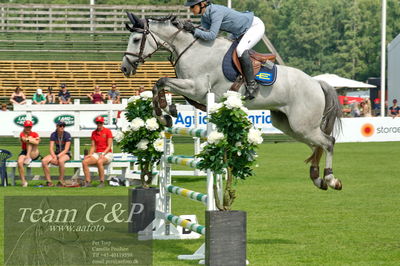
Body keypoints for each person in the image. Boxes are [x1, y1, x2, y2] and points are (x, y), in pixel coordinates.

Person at [183, 0, 265, 99]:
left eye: (192, 7)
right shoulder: (205, 16)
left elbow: (212, 36)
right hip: (239, 32)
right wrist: (189, 29)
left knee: (240, 50)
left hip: (254, 26)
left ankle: (252, 85)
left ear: (202, 4)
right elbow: (203, 33)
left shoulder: (215, 12)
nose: (191, 9)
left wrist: (193, 30)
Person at [82, 116, 113, 187]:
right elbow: (93, 146)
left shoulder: (108, 131)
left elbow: (109, 146)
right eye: (97, 122)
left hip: (107, 153)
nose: (99, 124)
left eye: (100, 122)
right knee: (84, 161)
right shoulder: (94, 133)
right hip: (97, 153)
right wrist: (90, 154)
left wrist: (103, 154)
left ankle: (102, 182)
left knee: (100, 161)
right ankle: (88, 182)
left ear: (102, 123)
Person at [41, 121, 72, 187]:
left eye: (63, 126)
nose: (62, 127)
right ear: (57, 126)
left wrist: (57, 157)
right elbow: (51, 148)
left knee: (61, 161)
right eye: (60, 126)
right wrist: (54, 156)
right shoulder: (53, 134)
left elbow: (66, 149)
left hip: (66, 154)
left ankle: (61, 181)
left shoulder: (67, 134)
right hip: (56, 153)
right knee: (44, 161)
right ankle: (49, 182)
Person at [18, 120, 40, 187]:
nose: (28, 128)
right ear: (24, 127)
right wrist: (32, 139)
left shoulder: (35, 133)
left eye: (29, 127)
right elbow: (24, 139)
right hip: (24, 151)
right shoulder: (22, 133)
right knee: (19, 162)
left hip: (34, 152)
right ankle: (23, 181)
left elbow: (37, 143)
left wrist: (29, 139)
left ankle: (28, 157)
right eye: (27, 127)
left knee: (29, 139)